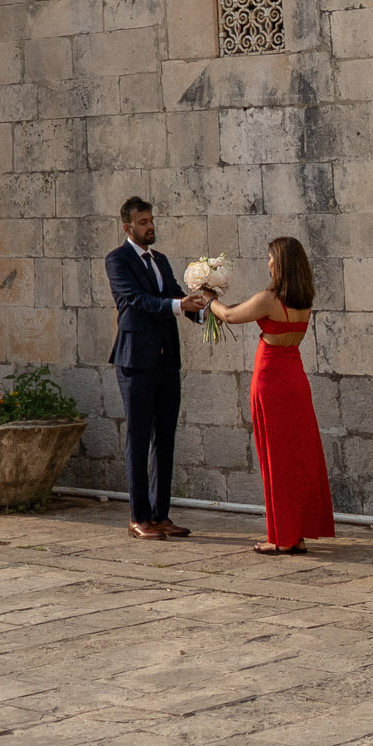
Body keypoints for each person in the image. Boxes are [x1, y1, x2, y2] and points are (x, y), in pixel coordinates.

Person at [209, 236, 336, 554]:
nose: (267, 263)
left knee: (275, 460)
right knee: (298, 459)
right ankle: (298, 533)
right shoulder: (303, 298)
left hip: (270, 380)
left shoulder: (270, 298)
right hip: (295, 378)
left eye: (270, 258)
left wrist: (208, 296)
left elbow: (229, 316)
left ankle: (281, 537)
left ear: (280, 263)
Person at [105, 196, 211, 541]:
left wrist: (208, 310)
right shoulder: (117, 260)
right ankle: (138, 516)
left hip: (166, 360)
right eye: (143, 222)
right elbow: (135, 300)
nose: (150, 227)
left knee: (165, 438)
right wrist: (179, 305)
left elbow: (177, 297)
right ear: (127, 227)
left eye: (151, 220)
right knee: (139, 438)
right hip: (135, 361)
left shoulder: (161, 260)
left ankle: (160, 514)